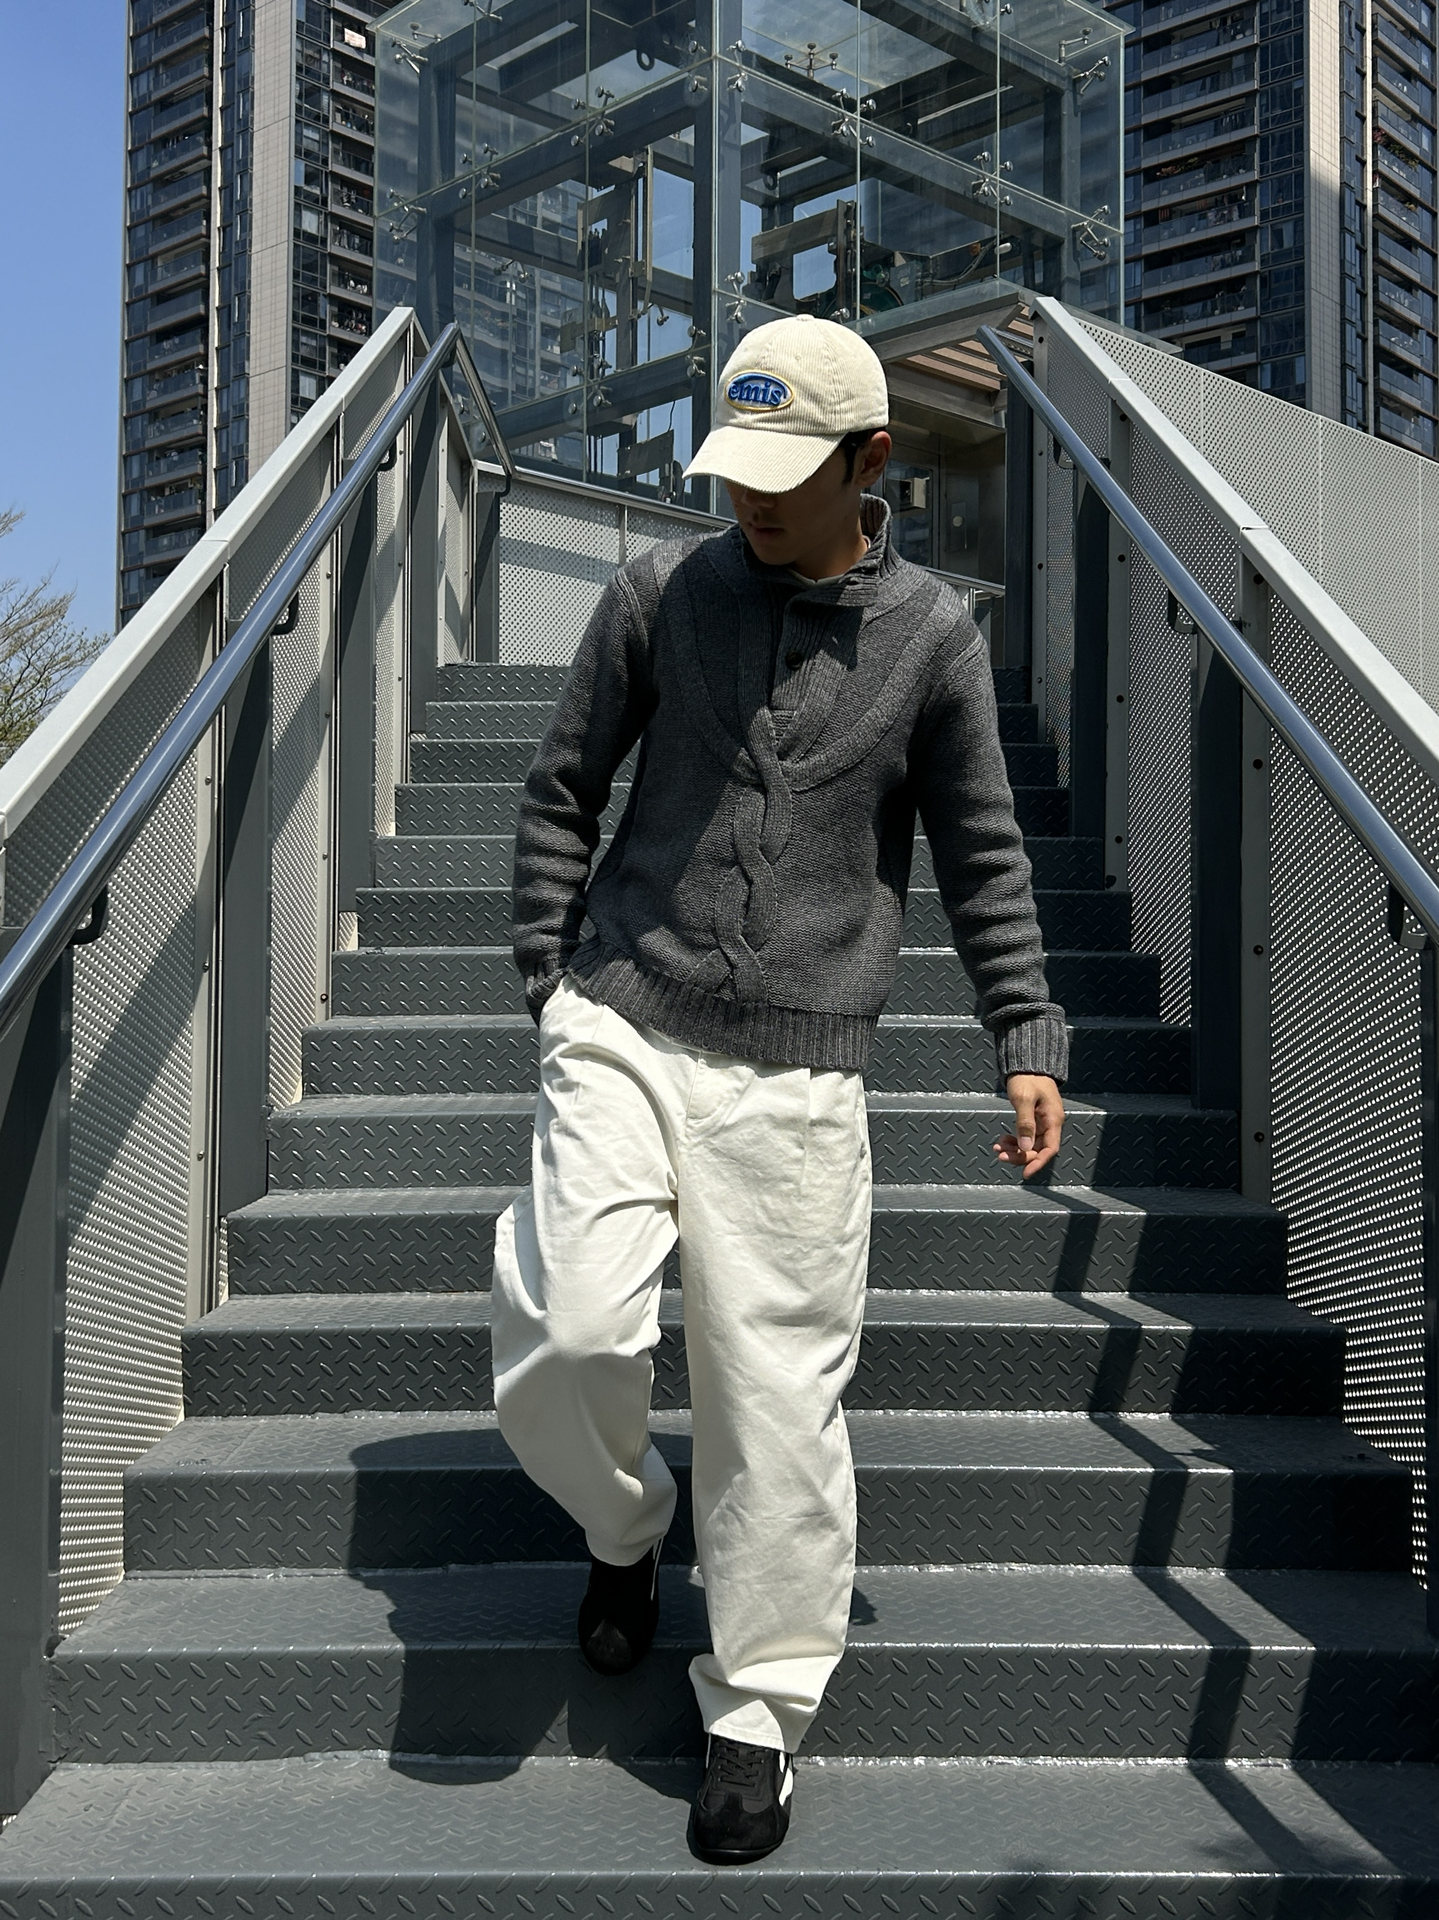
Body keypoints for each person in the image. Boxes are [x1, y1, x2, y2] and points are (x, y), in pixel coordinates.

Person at [492, 312, 1067, 1864]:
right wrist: (550, 977)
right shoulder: (655, 594)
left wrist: (1024, 1034)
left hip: (802, 1068)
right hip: (623, 1016)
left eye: (784, 471)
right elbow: (562, 789)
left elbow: (985, 855)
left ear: (870, 460)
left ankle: (756, 1707)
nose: (747, 496)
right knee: (570, 1332)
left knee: (776, 1404)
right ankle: (626, 1526)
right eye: (733, 466)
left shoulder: (934, 638)